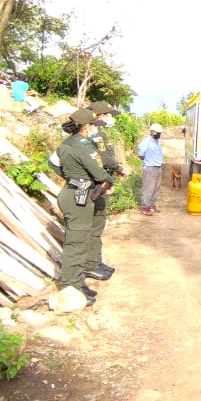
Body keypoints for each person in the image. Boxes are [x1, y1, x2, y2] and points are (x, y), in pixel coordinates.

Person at [49, 108, 114, 306]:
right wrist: (107, 180)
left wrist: (71, 176)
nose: (96, 129)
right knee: (75, 244)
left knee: (80, 240)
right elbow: (99, 172)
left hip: (76, 192)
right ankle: (70, 285)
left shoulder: (67, 143)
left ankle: (77, 282)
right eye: (94, 125)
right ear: (86, 126)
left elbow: (52, 163)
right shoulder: (84, 146)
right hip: (80, 196)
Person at [84, 101, 124, 280]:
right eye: (108, 114)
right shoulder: (95, 136)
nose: (111, 118)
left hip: (102, 182)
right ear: (99, 116)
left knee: (98, 224)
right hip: (97, 185)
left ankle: (96, 261)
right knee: (94, 225)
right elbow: (105, 160)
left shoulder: (97, 134)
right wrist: (119, 168)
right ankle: (91, 264)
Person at [137, 123, 165, 216]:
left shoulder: (157, 140)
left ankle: (151, 205)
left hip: (158, 167)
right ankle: (145, 207)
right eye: (158, 133)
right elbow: (141, 154)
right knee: (148, 188)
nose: (160, 134)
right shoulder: (146, 142)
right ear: (153, 132)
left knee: (155, 188)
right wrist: (149, 160)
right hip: (150, 167)